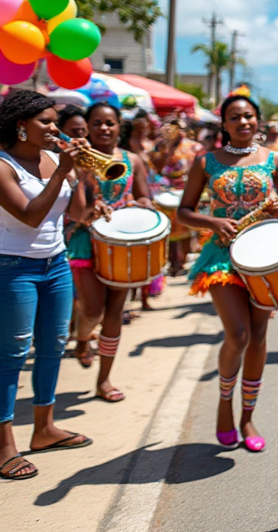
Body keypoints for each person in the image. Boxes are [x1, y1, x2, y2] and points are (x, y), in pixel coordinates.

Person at [177, 93, 278, 453]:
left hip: (265, 255)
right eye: (235, 117)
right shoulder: (205, 162)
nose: (243, 122)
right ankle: (223, 404)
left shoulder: (275, 159)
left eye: (248, 116)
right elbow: (184, 211)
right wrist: (213, 222)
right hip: (222, 256)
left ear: (257, 120)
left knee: (259, 335)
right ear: (224, 124)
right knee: (238, 333)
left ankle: (247, 417)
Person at [1, 90, 96, 480]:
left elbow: (79, 214)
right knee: (13, 353)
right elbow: (29, 216)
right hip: (13, 267)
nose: (55, 129)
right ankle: (5, 446)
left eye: (56, 122)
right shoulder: (3, 166)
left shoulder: (56, 159)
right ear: (21, 125)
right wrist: (61, 173)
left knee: (54, 345)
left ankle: (44, 429)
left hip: (55, 264)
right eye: (47, 122)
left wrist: (82, 173)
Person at [66, 102, 154, 402]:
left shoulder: (133, 160)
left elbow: (144, 197)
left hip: (122, 244)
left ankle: (104, 380)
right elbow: (72, 207)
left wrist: (142, 205)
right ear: (87, 128)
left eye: (110, 123)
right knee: (92, 310)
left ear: (119, 126)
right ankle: (82, 338)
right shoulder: (74, 159)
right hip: (86, 241)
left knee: (115, 312)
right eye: (97, 123)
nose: (104, 128)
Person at [150, 119, 200, 278]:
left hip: (187, 189)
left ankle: (183, 260)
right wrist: (165, 150)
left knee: (186, 228)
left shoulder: (193, 146)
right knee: (170, 230)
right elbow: (156, 167)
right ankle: (173, 262)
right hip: (167, 190)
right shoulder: (161, 146)